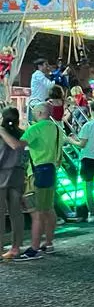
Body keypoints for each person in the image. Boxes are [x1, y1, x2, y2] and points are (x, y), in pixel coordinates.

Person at [3, 103, 62, 259]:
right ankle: (48, 244)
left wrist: (2, 131)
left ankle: (34, 249)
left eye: (34, 112)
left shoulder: (35, 129)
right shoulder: (56, 128)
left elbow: (17, 145)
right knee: (48, 209)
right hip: (50, 171)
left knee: (36, 213)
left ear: (40, 112)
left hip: (36, 173)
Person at [0, 107, 26, 260]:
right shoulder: (23, 134)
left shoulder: (1, 134)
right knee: (16, 213)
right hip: (17, 174)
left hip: (1, 174)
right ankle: (16, 247)